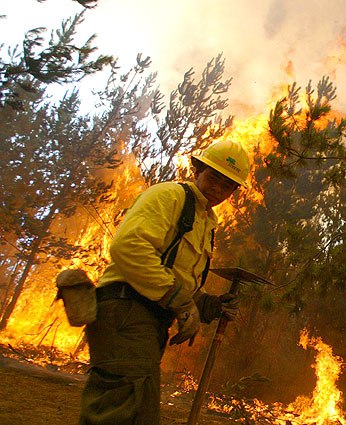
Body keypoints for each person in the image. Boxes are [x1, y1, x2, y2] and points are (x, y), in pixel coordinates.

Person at [78, 139, 250, 425]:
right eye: (213, 177)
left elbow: (176, 276)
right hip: (125, 311)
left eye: (227, 185)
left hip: (146, 322)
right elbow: (129, 246)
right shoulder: (171, 196)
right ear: (198, 170)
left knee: (138, 415)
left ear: (234, 191)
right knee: (116, 411)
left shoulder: (205, 221)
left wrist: (208, 305)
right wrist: (180, 301)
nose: (218, 189)